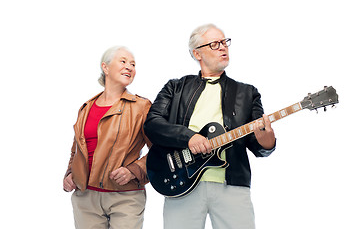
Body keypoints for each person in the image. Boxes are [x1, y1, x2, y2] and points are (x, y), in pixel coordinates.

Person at [144, 24, 276, 229]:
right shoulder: (175, 87)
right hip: (180, 182)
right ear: (197, 53)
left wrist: (267, 144)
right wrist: (188, 137)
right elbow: (152, 124)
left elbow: (257, 144)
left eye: (225, 42)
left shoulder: (248, 93)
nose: (223, 47)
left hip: (231, 185)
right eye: (215, 44)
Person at [63, 46, 151, 229]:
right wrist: (70, 174)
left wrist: (134, 170)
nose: (129, 67)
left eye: (133, 64)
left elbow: (160, 150)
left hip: (125, 197)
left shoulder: (142, 107)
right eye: (123, 61)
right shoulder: (86, 108)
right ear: (105, 67)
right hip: (85, 198)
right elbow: (76, 150)